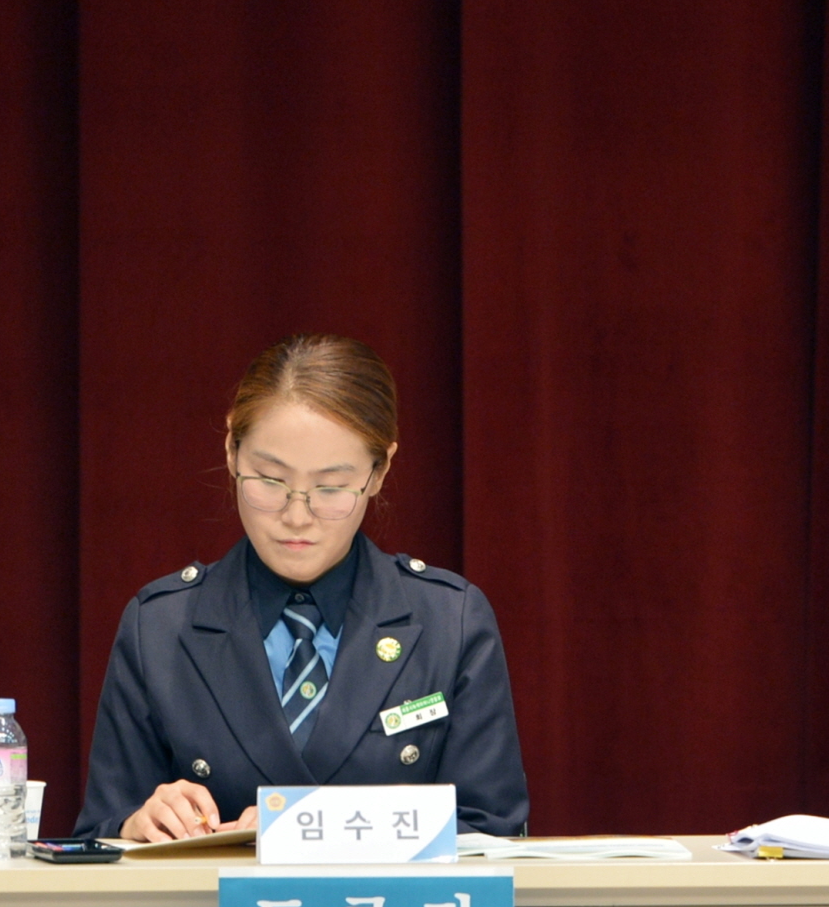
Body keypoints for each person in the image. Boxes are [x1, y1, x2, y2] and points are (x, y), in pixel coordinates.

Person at [75, 334, 529, 841]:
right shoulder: (160, 627)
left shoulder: (449, 622)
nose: (296, 516)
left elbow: (493, 832)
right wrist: (136, 825)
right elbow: (99, 833)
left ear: (379, 471)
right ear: (231, 451)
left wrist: (304, 828)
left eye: (331, 488)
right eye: (270, 480)